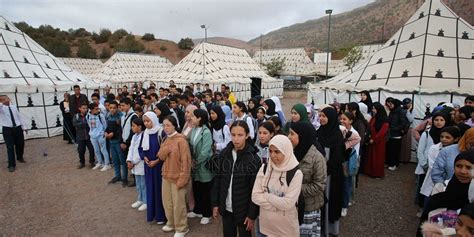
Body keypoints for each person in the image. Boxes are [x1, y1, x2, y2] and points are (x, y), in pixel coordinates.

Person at [211, 121, 261, 237]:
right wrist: (215, 203)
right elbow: (218, 181)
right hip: (226, 207)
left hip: (243, 210)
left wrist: (252, 214)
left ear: (247, 135)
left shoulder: (253, 159)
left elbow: (255, 189)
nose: (236, 139)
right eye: (233, 135)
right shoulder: (224, 154)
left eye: (240, 135)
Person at [252, 135, 303, 236]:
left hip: (286, 231)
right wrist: (277, 205)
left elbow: (288, 203)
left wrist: (267, 195)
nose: (273, 155)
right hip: (265, 229)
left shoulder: (296, 173)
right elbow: (255, 196)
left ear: (286, 151)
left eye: (277, 152)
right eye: (270, 151)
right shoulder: (265, 168)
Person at [418, 150, 474, 235]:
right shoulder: (439, 195)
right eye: (459, 166)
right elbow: (424, 226)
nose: (462, 171)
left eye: (468, 167)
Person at [288, 121, 327, 237]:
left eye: (292, 133)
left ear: (303, 135)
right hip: (290, 207)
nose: (288, 137)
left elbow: (319, 185)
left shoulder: (316, 158)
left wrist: (295, 189)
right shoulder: (289, 153)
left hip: (308, 208)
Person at [158, 116, 192, 236]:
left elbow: (186, 161)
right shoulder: (165, 139)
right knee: (167, 202)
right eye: (164, 125)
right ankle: (171, 223)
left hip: (177, 177)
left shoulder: (181, 141)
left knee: (179, 204)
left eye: (168, 125)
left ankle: (182, 228)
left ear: (174, 125)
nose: (165, 128)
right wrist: (166, 149)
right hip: (166, 176)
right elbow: (161, 156)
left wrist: (183, 179)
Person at [316, 107, 345, 236]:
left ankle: (330, 229)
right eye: (320, 116)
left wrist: (325, 169)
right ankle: (319, 227)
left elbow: (338, 158)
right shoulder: (319, 132)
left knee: (330, 201)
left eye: (324, 116)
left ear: (331, 118)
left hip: (331, 175)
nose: (321, 118)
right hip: (319, 174)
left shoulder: (337, 136)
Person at [415, 111, 451, 212]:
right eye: (436, 120)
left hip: (442, 170)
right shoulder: (426, 133)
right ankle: (422, 208)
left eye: (441, 120)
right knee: (423, 188)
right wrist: (424, 165)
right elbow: (420, 151)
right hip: (426, 167)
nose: (438, 122)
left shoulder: (449, 135)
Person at [419, 126, 461, 202]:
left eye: (447, 137)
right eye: (442, 137)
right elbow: (433, 165)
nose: (444, 139)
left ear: (456, 139)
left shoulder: (458, 151)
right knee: (430, 198)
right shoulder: (434, 148)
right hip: (434, 178)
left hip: (449, 182)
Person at [139, 111, 166, 224]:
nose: (146, 123)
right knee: (150, 189)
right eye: (144, 121)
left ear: (154, 120)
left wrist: (157, 161)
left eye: (148, 121)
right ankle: (152, 214)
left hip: (158, 166)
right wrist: (144, 157)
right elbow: (141, 148)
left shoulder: (161, 132)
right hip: (148, 166)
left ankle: (161, 216)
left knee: (159, 190)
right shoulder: (145, 133)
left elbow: (165, 150)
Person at [188, 109, 214, 225]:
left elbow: (205, 151)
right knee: (196, 188)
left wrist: (196, 162)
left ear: (199, 118)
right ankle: (197, 210)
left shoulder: (206, 132)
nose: (191, 118)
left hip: (203, 166)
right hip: (195, 165)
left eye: (193, 116)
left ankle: (207, 214)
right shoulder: (193, 129)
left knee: (205, 190)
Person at [339, 112, 361, 217]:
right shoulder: (340, 129)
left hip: (347, 161)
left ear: (351, 121)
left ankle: (344, 206)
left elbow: (356, 150)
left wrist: (345, 145)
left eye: (345, 119)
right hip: (340, 160)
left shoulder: (353, 133)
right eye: (341, 119)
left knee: (346, 184)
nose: (342, 121)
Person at [0, 95, 27, 172]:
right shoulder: (1, 109)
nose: (6, 100)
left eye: (7, 98)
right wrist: (2, 103)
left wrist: (24, 127)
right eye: (3, 99)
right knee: (10, 147)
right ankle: (11, 165)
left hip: (17, 128)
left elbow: (19, 117)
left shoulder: (14, 107)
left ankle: (19, 157)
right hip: (7, 129)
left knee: (20, 144)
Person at [127, 118, 147, 212]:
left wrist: (133, 162)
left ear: (139, 126)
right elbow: (131, 149)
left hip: (140, 163)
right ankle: (140, 199)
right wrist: (129, 160)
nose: (132, 128)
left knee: (143, 184)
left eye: (133, 126)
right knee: (138, 184)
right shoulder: (134, 136)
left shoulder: (144, 136)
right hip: (134, 164)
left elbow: (141, 152)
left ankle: (146, 201)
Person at [364, 102, 389, 178]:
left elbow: (382, 132)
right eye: (373, 108)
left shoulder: (385, 120)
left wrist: (374, 139)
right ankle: (369, 171)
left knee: (377, 158)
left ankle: (376, 173)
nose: (373, 110)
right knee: (370, 156)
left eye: (374, 108)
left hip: (379, 142)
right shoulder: (374, 118)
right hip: (372, 139)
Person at [105, 101, 125, 184]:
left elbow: (121, 129)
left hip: (118, 140)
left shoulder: (121, 116)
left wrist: (113, 134)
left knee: (122, 160)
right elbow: (108, 127)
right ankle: (117, 176)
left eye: (114, 108)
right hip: (111, 141)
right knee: (115, 160)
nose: (112, 109)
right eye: (110, 108)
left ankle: (124, 178)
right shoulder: (108, 115)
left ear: (117, 108)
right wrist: (106, 132)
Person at [87, 103, 111, 171]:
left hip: (101, 135)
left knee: (103, 149)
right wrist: (92, 133)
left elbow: (105, 125)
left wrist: (102, 133)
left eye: (98, 108)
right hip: (93, 135)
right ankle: (100, 162)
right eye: (96, 109)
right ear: (91, 110)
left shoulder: (101, 116)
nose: (97, 110)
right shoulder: (88, 116)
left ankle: (107, 164)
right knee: (96, 150)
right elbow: (89, 125)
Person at [120, 98, 138, 186]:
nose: (122, 107)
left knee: (132, 161)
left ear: (129, 105)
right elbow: (122, 130)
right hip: (124, 141)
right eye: (121, 106)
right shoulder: (123, 116)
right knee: (124, 161)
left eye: (123, 105)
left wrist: (126, 143)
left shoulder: (134, 116)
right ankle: (124, 178)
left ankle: (135, 180)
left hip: (130, 143)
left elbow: (132, 131)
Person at [386, 98, 407, 171]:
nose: (390, 105)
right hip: (391, 133)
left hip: (397, 134)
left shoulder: (400, 111)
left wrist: (395, 128)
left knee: (395, 150)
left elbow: (403, 123)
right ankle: (391, 163)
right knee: (390, 150)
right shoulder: (392, 111)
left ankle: (394, 164)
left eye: (391, 104)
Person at [73, 103, 95, 169]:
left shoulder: (89, 115)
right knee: (81, 150)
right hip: (80, 137)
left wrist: (83, 124)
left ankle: (92, 162)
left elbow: (92, 123)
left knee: (91, 149)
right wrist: (85, 123)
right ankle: (82, 162)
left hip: (89, 136)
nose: (85, 110)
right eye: (83, 108)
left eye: (86, 108)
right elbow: (75, 124)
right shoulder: (76, 116)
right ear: (79, 108)